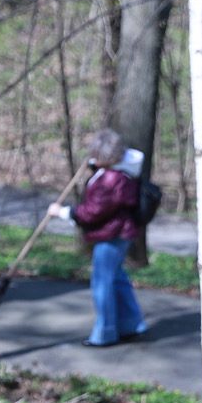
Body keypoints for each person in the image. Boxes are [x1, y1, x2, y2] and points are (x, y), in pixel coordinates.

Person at [57, 130, 146, 348]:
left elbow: (92, 211)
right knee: (116, 279)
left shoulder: (111, 180)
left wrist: (63, 212)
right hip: (118, 233)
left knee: (102, 283)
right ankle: (131, 324)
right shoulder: (118, 173)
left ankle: (105, 333)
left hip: (112, 235)